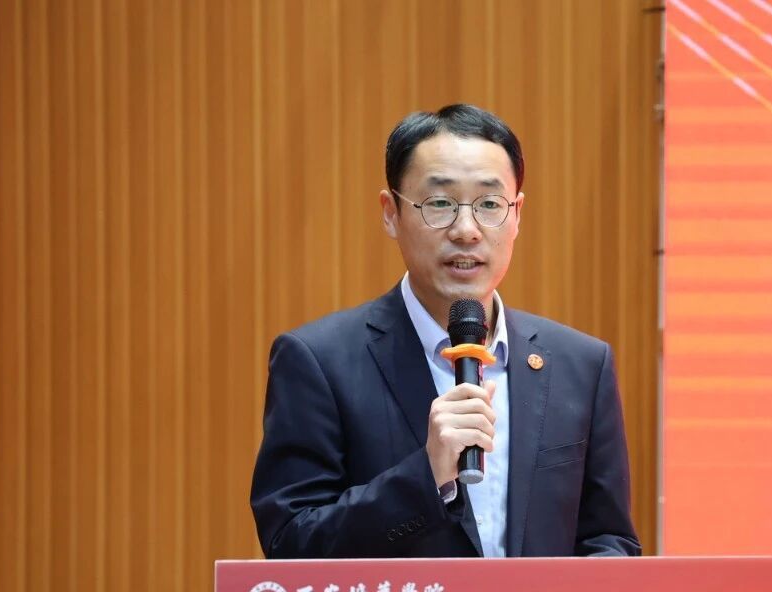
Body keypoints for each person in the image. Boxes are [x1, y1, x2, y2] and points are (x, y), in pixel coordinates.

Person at [250, 104, 640, 559]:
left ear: (517, 214)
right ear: (391, 213)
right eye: (439, 204)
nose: (467, 230)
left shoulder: (581, 365)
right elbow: (290, 545)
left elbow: (608, 541)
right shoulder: (318, 361)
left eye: (490, 204)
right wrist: (426, 475)